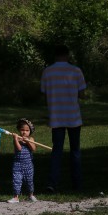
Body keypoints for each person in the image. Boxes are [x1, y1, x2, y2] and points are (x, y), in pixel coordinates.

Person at [40, 45, 87, 192]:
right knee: (75, 150)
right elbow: (82, 94)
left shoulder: (47, 72)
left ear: (55, 55)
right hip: (73, 116)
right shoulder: (76, 71)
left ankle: (52, 183)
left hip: (56, 116)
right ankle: (77, 184)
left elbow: (44, 94)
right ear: (67, 55)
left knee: (57, 150)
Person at [7, 118, 38, 203]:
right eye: (22, 130)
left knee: (29, 181)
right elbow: (19, 149)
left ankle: (31, 195)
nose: (24, 132)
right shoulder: (17, 139)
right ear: (19, 130)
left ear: (30, 131)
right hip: (17, 164)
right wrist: (15, 139)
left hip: (28, 164)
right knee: (16, 180)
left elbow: (33, 148)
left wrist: (28, 142)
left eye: (27, 130)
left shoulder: (31, 139)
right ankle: (16, 197)